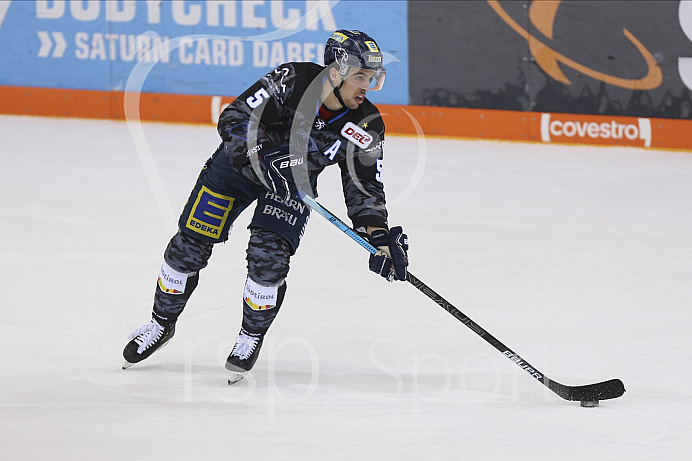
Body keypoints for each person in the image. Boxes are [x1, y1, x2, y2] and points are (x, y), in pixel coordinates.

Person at [122, 30, 409, 383]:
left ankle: (249, 337)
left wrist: (379, 237)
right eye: (360, 77)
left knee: (268, 259)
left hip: (291, 186)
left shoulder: (365, 125)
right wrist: (262, 154)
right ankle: (160, 324)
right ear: (335, 73)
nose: (367, 86)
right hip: (236, 168)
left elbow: (364, 189)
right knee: (188, 247)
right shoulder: (291, 80)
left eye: (372, 78)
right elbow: (234, 118)